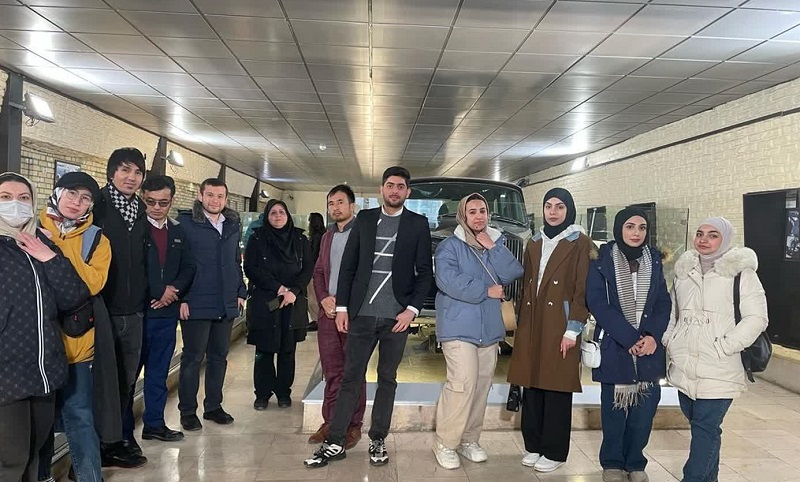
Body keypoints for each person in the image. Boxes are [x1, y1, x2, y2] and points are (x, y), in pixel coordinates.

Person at [305, 166, 433, 468]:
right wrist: (343, 308)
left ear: (408, 192)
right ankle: (336, 440)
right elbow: (348, 267)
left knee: (388, 379)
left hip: (396, 319)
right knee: (351, 377)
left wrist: (412, 310)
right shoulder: (364, 219)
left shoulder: (418, 224)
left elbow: (425, 273)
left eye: (400, 186)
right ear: (381, 189)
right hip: (361, 315)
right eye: (390, 185)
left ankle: (378, 439)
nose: (394, 191)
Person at [664, 217, 768, 482]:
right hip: (684, 365)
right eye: (700, 233)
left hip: (720, 365)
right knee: (703, 429)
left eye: (713, 235)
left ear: (726, 239)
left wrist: (724, 347)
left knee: (705, 428)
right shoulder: (683, 273)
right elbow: (673, 313)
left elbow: (757, 318)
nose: (704, 240)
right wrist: (670, 340)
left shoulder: (741, 274)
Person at [0, 172, 89, 482]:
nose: (15, 204)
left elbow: (74, 296)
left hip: (43, 370)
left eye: (23, 198)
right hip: (6, 373)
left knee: (36, 453)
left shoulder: (42, 243)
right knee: (11, 458)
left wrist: (49, 257)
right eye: (5, 197)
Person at [432, 193, 524, 470]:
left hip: (489, 328)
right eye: (472, 211)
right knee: (462, 384)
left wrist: (492, 247)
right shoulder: (449, 246)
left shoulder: (496, 242)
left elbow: (513, 271)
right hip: (458, 327)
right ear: (462, 215)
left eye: (482, 210)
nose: (478, 216)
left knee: (481, 387)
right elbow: (447, 280)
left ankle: (469, 440)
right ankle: (445, 442)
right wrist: (486, 290)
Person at [507, 188, 592, 473]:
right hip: (533, 321)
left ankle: (554, 451)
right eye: (548, 206)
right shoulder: (534, 242)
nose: (553, 212)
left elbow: (582, 290)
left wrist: (573, 329)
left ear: (570, 210)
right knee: (532, 384)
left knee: (556, 387)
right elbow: (526, 285)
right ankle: (533, 445)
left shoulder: (580, 242)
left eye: (559, 207)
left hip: (560, 324)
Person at [36, 172, 113, 482]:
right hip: (38, 346)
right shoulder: (30, 227)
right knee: (39, 423)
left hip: (77, 346)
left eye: (85, 198)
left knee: (80, 417)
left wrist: (55, 248)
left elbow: (93, 283)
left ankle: (89, 477)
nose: (76, 202)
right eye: (71, 194)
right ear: (57, 193)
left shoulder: (97, 240)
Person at [586, 209, 671, 482]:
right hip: (616, 346)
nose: (636, 233)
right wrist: (630, 338)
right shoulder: (601, 260)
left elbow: (663, 302)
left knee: (643, 415)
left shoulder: (653, 260)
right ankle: (612, 463)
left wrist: (652, 336)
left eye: (642, 227)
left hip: (648, 351)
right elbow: (598, 303)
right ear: (619, 228)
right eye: (630, 226)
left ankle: (635, 462)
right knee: (614, 414)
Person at [122, 175, 195, 446]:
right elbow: (132, 268)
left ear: (171, 201)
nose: (156, 207)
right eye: (150, 202)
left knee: (158, 373)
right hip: (139, 314)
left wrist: (174, 290)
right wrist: (157, 292)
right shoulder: (133, 229)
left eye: (163, 203)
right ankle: (123, 432)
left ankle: (154, 424)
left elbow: (189, 266)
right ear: (143, 199)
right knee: (130, 376)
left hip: (166, 315)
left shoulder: (178, 232)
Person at [92, 147, 149, 468]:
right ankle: (97, 447)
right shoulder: (96, 207)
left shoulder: (140, 211)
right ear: (112, 172)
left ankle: (115, 442)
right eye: (125, 170)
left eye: (137, 172)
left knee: (127, 381)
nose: (131, 177)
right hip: (103, 310)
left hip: (134, 311)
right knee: (103, 383)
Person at [177, 178, 247, 431]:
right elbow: (178, 263)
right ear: (200, 195)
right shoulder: (186, 223)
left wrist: (240, 291)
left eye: (220, 196)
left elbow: (235, 261)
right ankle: (187, 411)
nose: (215, 200)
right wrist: (182, 298)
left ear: (226, 199)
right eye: (210, 195)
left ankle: (213, 406)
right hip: (196, 301)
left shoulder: (232, 224)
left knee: (219, 357)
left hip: (225, 302)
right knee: (192, 359)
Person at [307, 185, 367, 449]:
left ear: (352, 206)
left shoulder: (363, 235)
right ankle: (330, 422)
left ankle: (353, 425)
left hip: (353, 314)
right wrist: (323, 298)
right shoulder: (327, 237)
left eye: (340, 202)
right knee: (332, 372)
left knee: (354, 372)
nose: (335, 208)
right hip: (328, 313)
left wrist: (344, 303)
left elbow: (365, 276)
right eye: (331, 203)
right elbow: (319, 271)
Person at [244, 199, 313, 410]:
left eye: (281, 212)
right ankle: (262, 394)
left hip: (292, 302)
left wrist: (293, 291)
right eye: (273, 212)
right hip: (266, 301)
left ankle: (284, 392)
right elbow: (250, 268)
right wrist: (278, 288)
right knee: (264, 351)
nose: (277, 216)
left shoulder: (300, 239)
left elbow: (307, 269)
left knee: (287, 350)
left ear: (288, 215)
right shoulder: (257, 238)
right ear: (267, 216)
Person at [306, 212, 325, 331]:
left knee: (312, 295)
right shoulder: (324, 235)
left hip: (313, 270)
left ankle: (316, 320)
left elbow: (313, 254)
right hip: (318, 270)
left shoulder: (316, 237)